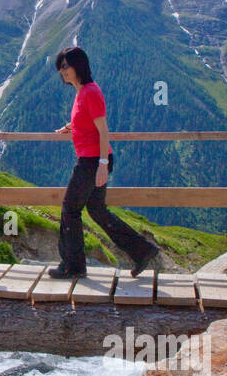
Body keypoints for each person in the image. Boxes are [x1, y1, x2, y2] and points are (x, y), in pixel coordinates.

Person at [49, 46, 159, 279]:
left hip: (92, 160)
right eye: (61, 67)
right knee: (97, 210)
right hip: (93, 158)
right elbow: (87, 121)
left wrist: (101, 165)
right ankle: (142, 251)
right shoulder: (83, 92)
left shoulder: (90, 92)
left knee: (70, 209)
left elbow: (103, 130)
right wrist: (70, 128)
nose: (63, 71)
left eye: (66, 66)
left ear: (79, 66)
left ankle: (72, 265)